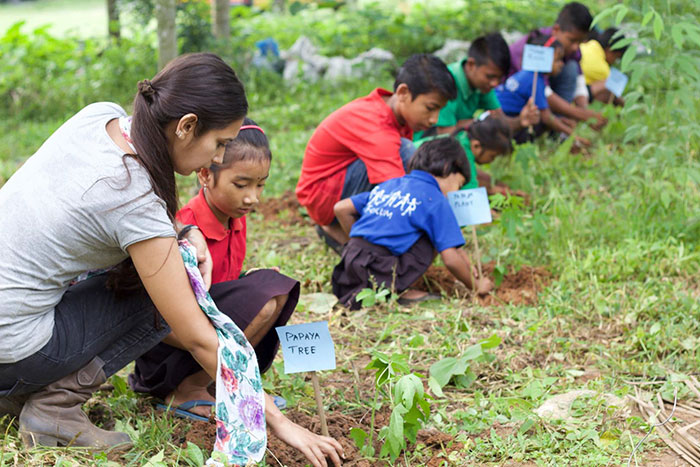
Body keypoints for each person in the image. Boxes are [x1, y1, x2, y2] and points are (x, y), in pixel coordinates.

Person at [0, 53, 343, 467]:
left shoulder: (99, 118)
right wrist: (278, 421)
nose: (218, 159)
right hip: (13, 349)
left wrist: (180, 232)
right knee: (173, 289)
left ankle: (23, 394)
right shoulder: (131, 195)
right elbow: (197, 335)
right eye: (219, 144)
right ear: (186, 127)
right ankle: (54, 407)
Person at [129, 118, 298, 422]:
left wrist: (247, 283)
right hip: (168, 352)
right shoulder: (184, 228)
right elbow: (159, 314)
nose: (253, 197)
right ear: (206, 175)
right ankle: (188, 389)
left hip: (205, 335)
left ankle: (220, 383)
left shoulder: (236, 218)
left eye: (261, 184)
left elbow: (221, 285)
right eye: (241, 184)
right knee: (266, 295)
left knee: (275, 291)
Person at [295, 53, 457, 254]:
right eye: (430, 108)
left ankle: (342, 231)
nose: (434, 119)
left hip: (339, 186)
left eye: (439, 110)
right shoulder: (375, 123)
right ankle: (364, 246)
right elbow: (399, 191)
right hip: (324, 196)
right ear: (403, 92)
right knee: (407, 155)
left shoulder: (397, 116)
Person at [331, 137, 494, 310]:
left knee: (428, 229)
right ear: (448, 168)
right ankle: (399, 290)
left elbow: (341, 208)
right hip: (381, 274)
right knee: (432, 235)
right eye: (459, 185)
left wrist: (360, 247)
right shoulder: (435, 199)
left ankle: (377, 287)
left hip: (348, 270)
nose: (455, 192)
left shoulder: (391, 184)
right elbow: (451, 258)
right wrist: (477, 286)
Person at [416, 33, 540, 140]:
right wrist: (477, 122)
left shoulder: (483, 86)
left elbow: (500, 122)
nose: (495, 83)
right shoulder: (447, 82)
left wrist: (521, 120)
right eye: (490, 76)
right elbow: (444, 136)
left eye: (499, 78)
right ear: (471, 64)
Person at [509, 2, 607, 129]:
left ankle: (559, 123)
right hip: (519, 107)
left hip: (544, 103)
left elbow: (578, 79)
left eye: (580, 42)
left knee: (571, 68)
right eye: (572, 40)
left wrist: (585, 112)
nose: (575, 47)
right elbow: (541, 90)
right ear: (556, 30)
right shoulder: (534, 48)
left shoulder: (571, 50)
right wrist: (581, 114)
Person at [497, 33, 589, 145]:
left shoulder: (526, 74)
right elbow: (547, 117)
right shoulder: (534, 80)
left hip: (503, 116)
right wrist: (574, 136)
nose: (561, 64)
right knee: (540, 120)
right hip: (505, 121)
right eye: (558, 60)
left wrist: (562, 122)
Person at [415, 116, 513, 190]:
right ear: (476, 145)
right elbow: (470, 191)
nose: (491, 161)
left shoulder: (462, 138)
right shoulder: (462, 152)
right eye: (492, 156)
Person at [580, 27, 627, 105]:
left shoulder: (591, 43)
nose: (614, 62)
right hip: (575, 93)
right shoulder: (603, 70)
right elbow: (614, 93)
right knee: (608, 88)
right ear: (610, 50)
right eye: (616, 57)